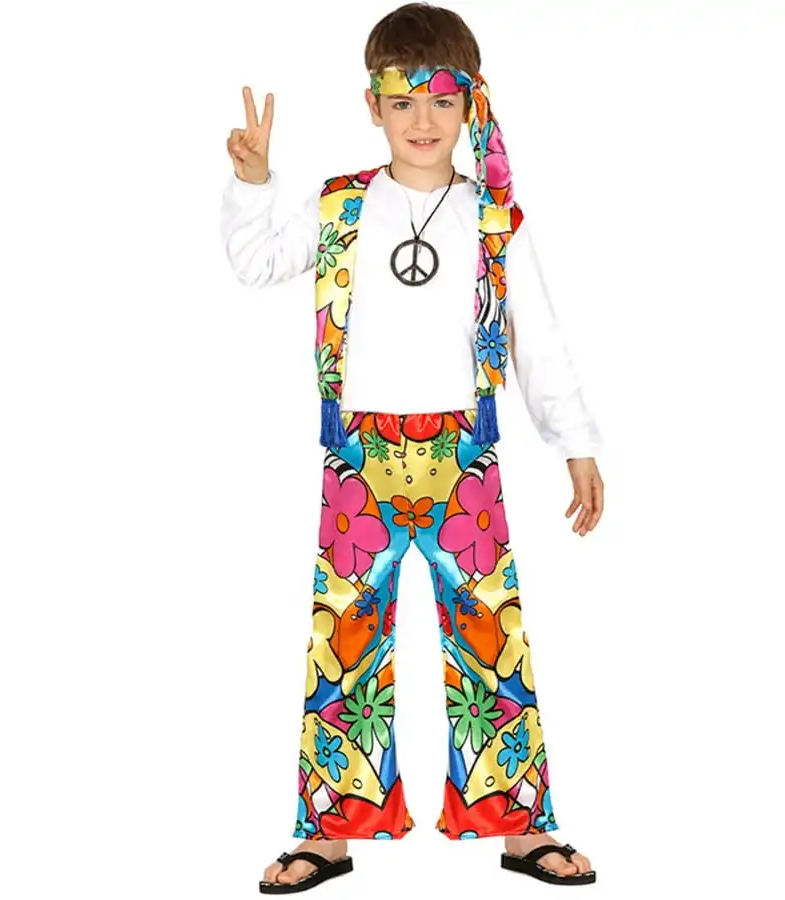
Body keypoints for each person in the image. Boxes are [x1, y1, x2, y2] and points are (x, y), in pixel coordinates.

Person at [220, 3, 604, 891]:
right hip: (357, 459)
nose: (422, 120)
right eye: (402, 102)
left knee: (492, 641)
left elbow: (537, 335)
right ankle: (330, 832)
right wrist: (254, 181)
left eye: (440, 100)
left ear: (470, 103)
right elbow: (257, 262)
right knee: (344, 644)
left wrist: (575, 441)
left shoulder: (494, 217)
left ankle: (518, 824)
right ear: (373, 105)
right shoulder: (341, 206)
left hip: (464, 457)